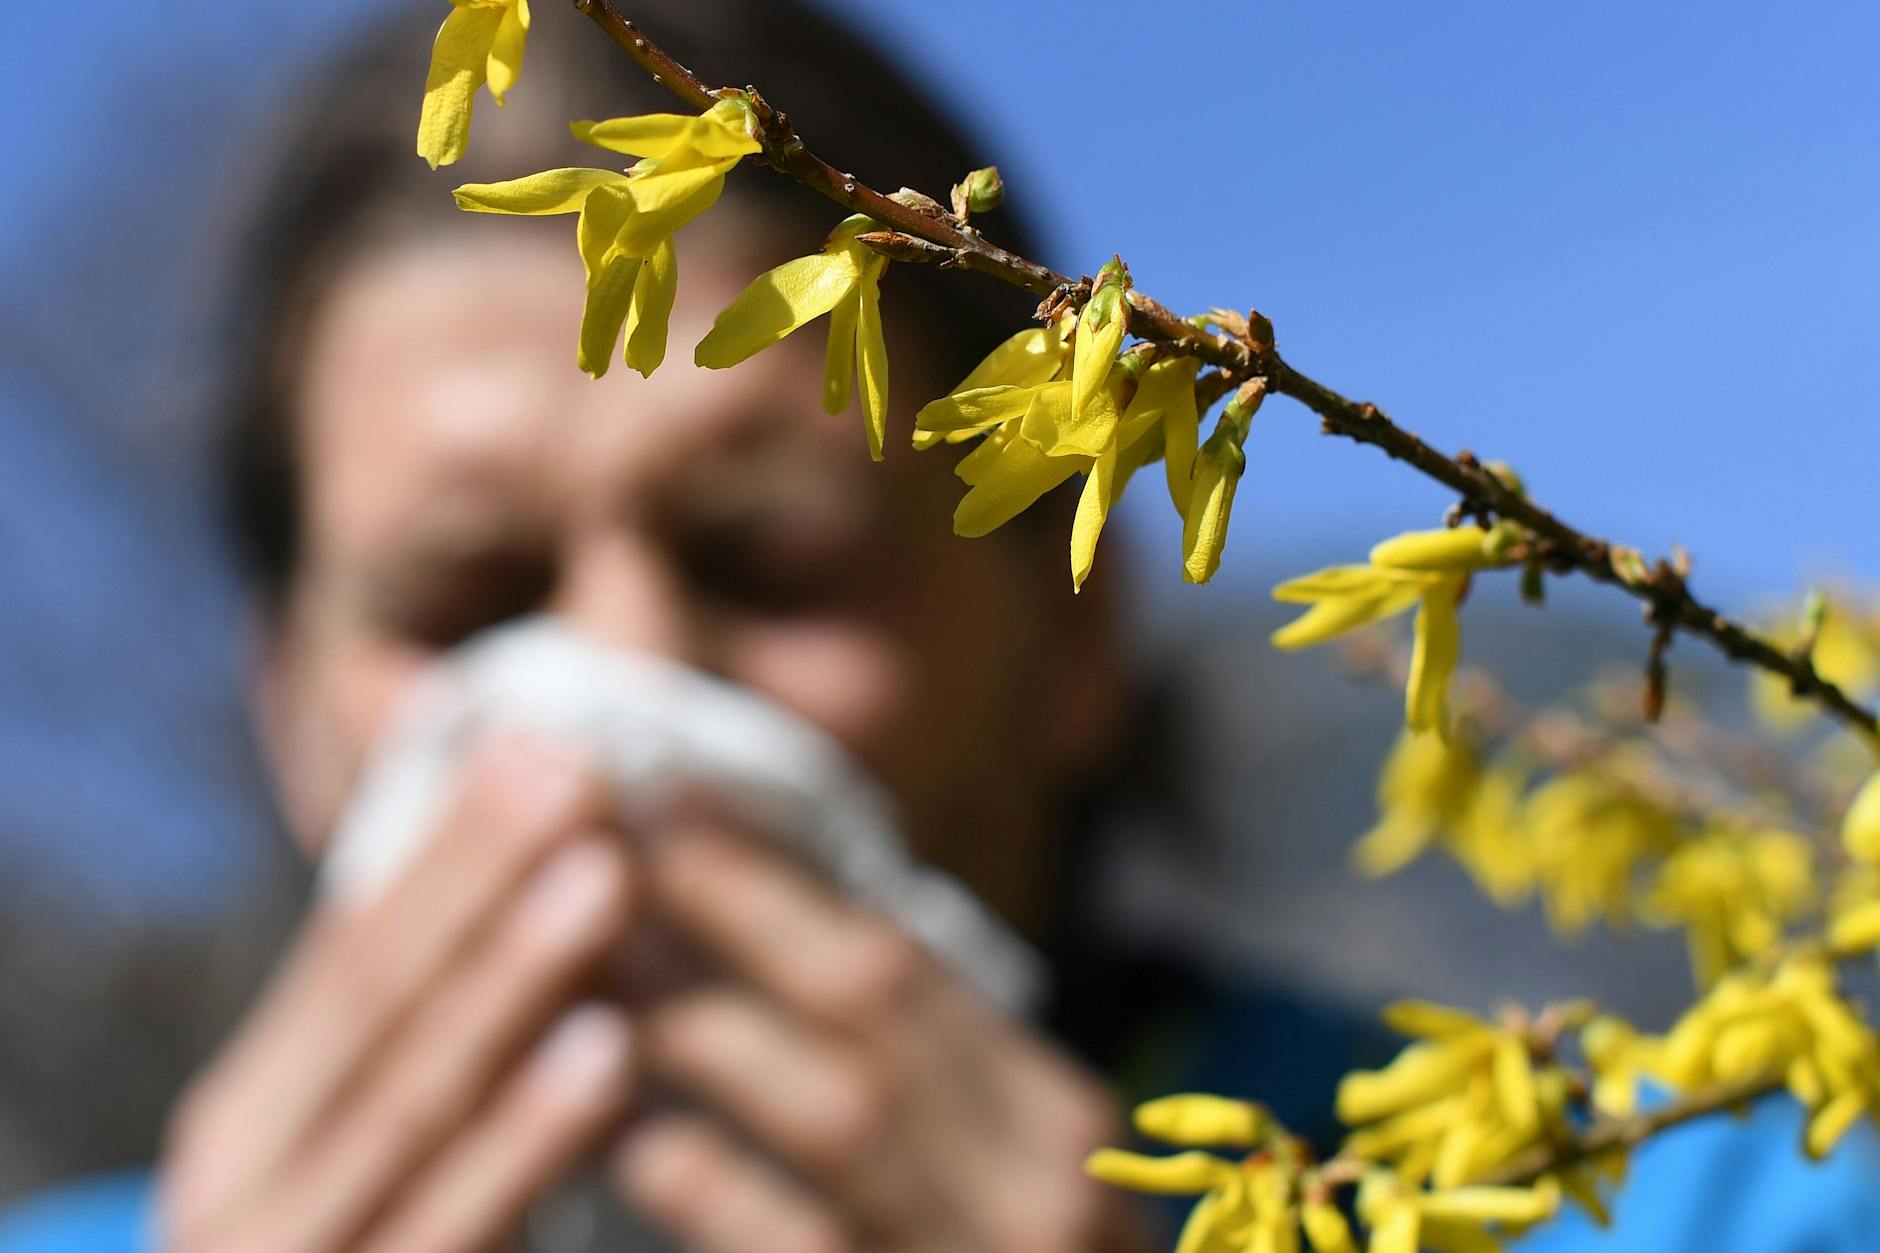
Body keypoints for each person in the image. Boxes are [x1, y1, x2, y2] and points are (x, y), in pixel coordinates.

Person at [4, 1, 1878, 1251]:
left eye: (776, 558)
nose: (618, 683)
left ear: (1072, 635)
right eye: (463, 600)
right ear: (287, 710)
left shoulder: (1672, 1191)